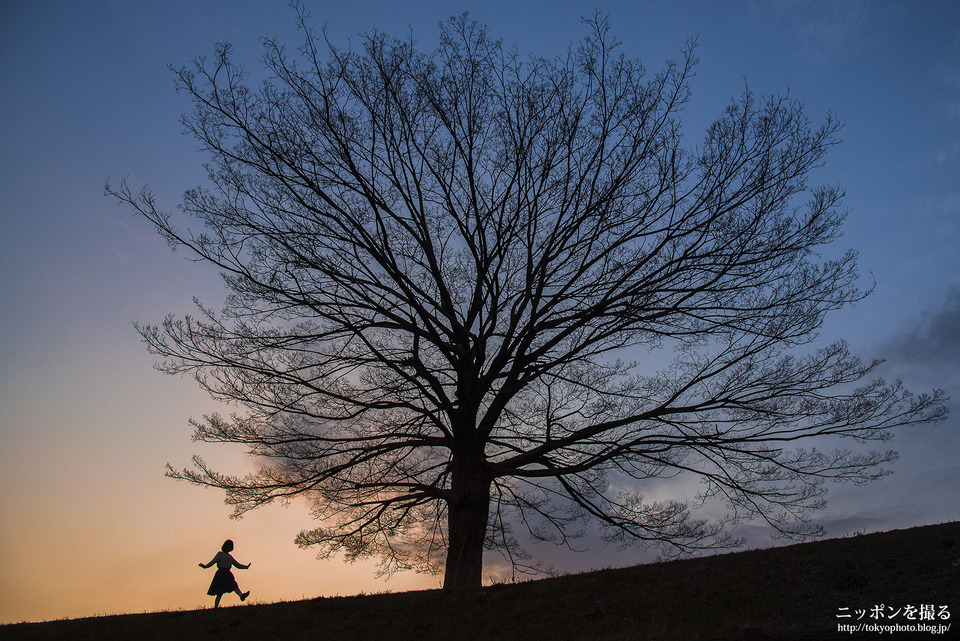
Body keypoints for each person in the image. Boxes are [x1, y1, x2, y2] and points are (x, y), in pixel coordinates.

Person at [199, 539, 251, 607]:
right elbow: (213, 561)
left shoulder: (230, 557)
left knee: (234, 585)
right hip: (221, 574)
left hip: (228, 574)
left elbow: (237, 565)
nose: (231, 548)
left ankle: (241, 595)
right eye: (230, 546)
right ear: (226, 546)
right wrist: (205, 566)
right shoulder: (220, 554)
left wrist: (246, 567)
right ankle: (216, 607)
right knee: (219, 591)